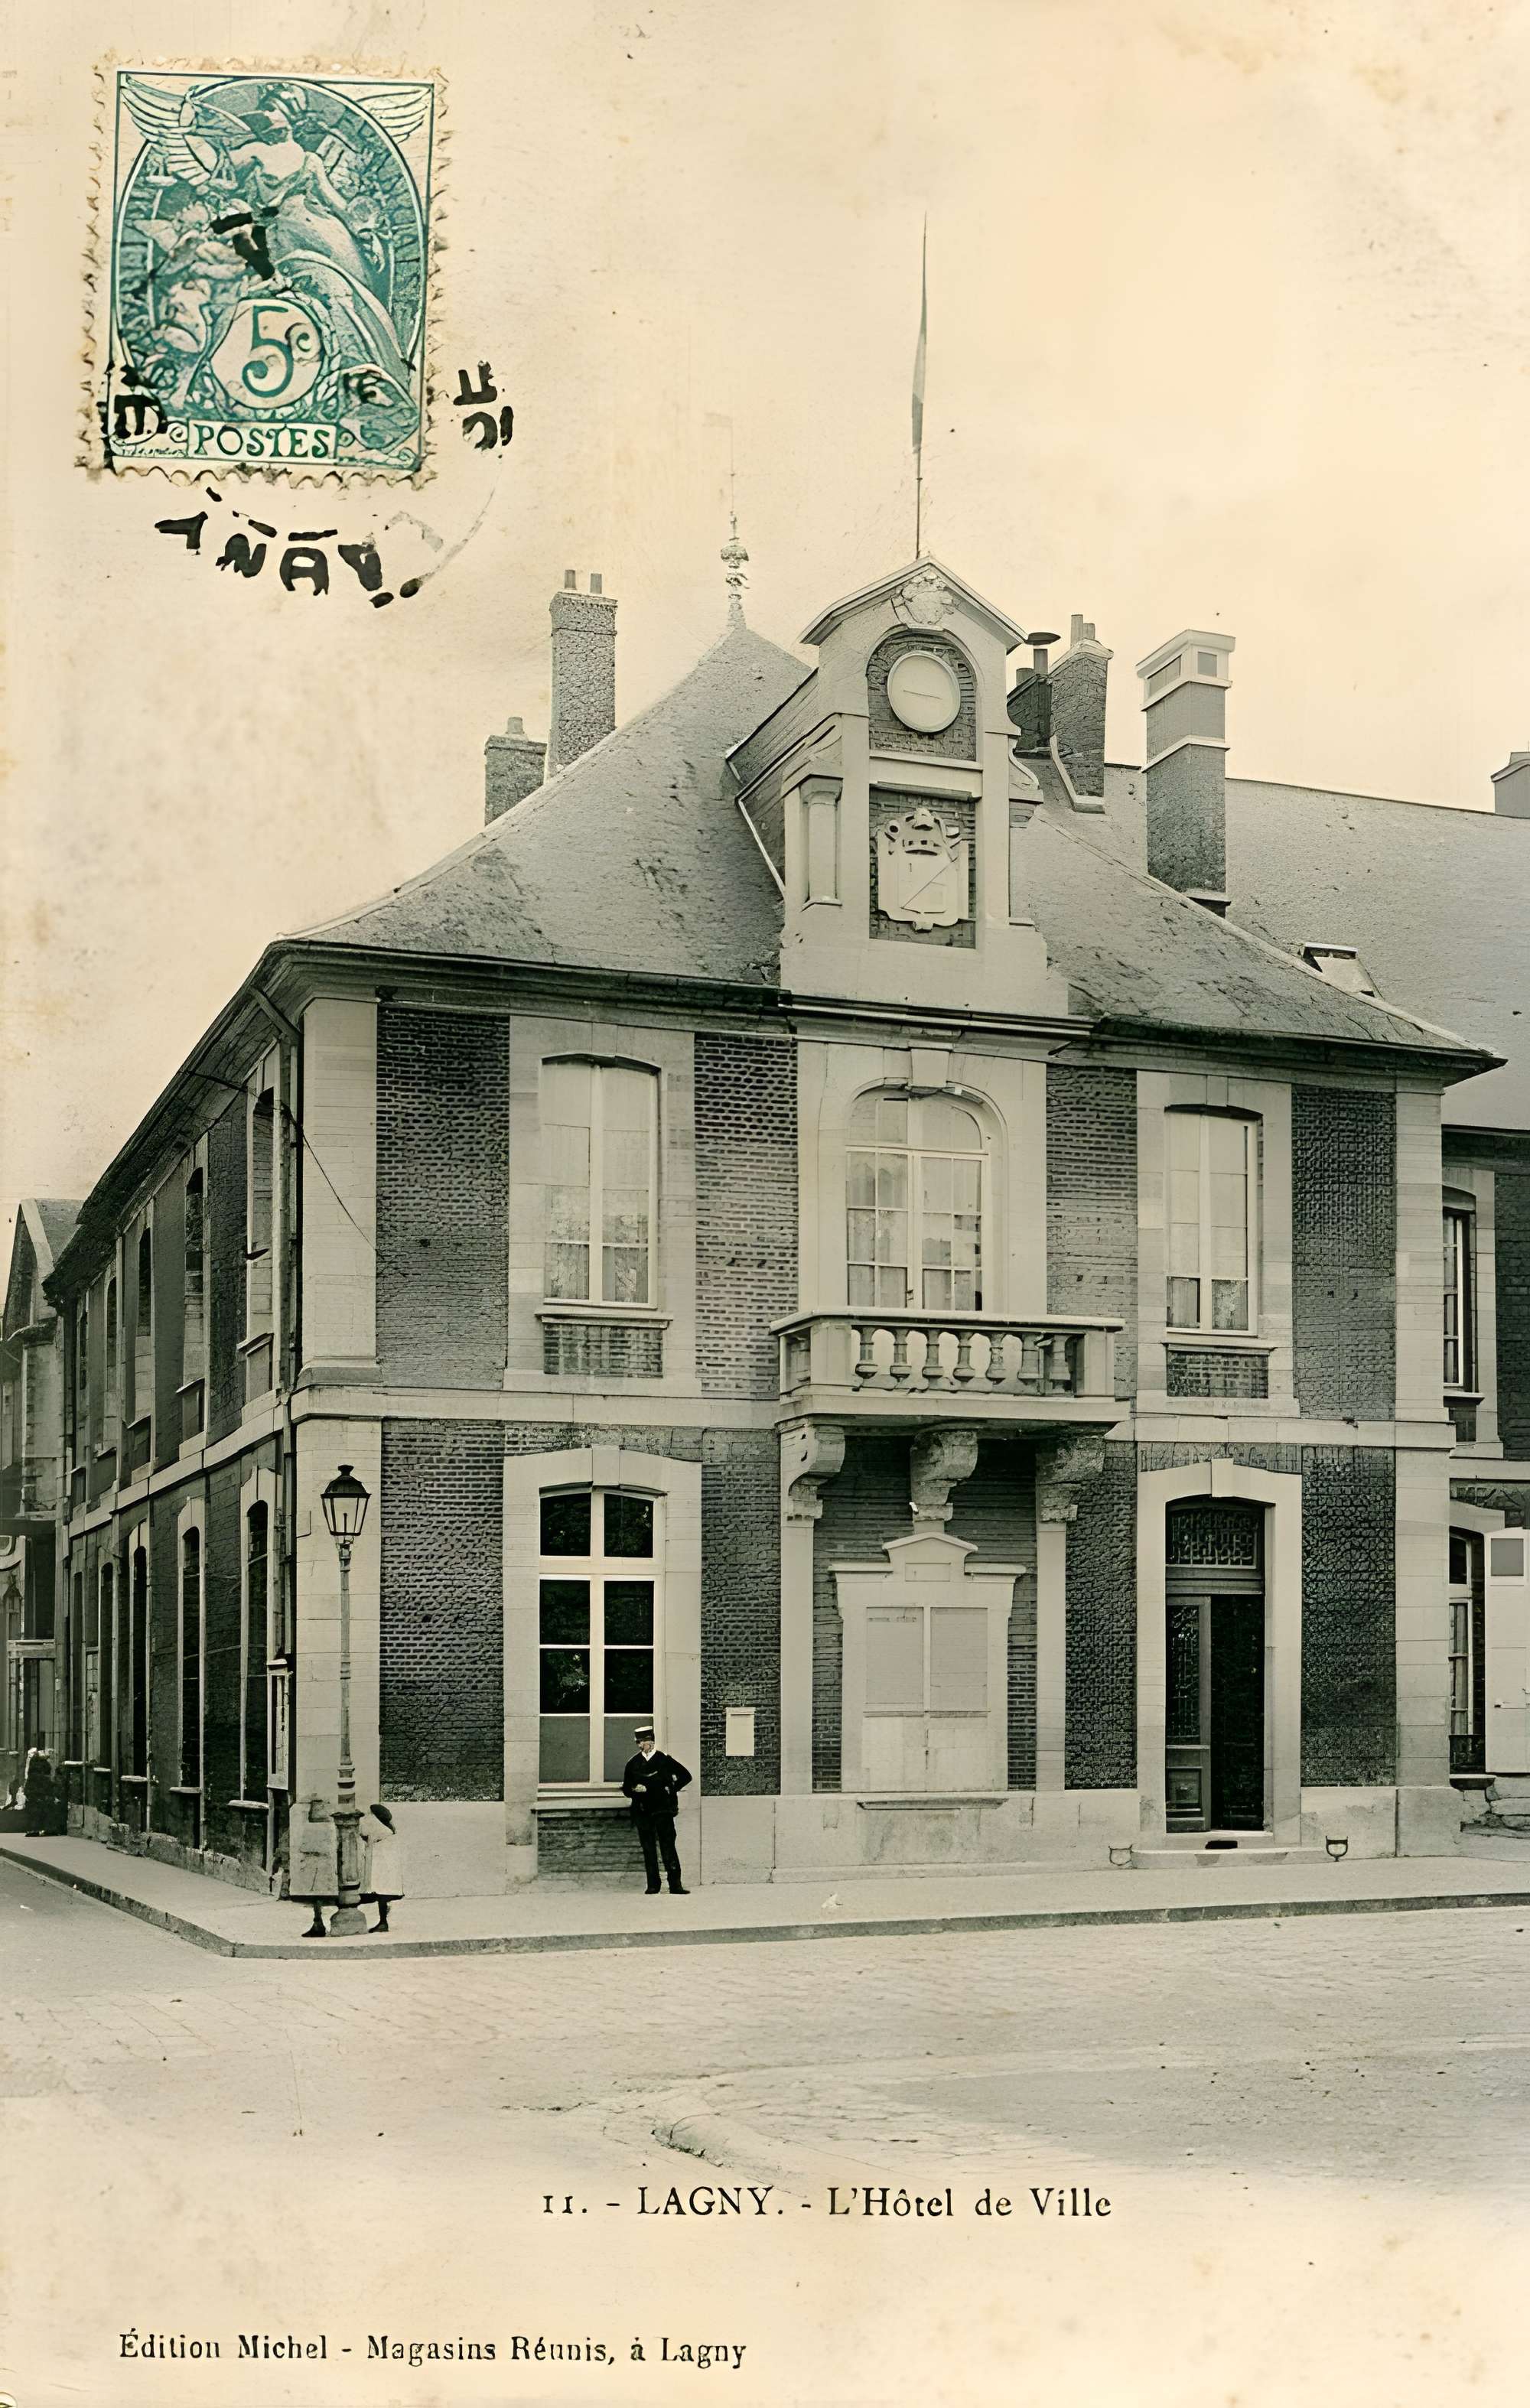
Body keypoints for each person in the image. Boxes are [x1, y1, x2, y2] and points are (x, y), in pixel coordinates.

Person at [621, 1723, 692, 1895]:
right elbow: (626, 1788)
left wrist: (670, 1789)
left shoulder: (664, 1759)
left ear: (651, 1742)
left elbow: (686, 1776)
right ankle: (653, 1885)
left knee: (668, 1846)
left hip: (663, 1810)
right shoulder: (633, 1763)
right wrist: (634, 1789)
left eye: (645, 1742)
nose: (642, 1745)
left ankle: (675, 1885)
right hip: (642, 1811)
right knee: (648, 1848)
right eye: (639, 1742)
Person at [288, 1795, 338, 1937]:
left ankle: (318, 1923)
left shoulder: (310, 1829)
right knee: (321, 1896)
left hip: (315, 1868)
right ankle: (318, 1922)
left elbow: (304, 1847)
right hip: (326, 1867)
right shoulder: (330, 1827)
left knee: (316, 1897)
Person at [358, 1801, 405, 1935]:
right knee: (383, 1892)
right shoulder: (389, 1829)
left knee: (381, 1891)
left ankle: (383, 1922)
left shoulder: (376, 1828)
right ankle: (383, 1921)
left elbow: (363, 1832)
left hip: (381, 1864)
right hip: (388, 1865)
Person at [21, 1746, 56, 1839]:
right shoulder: (44, 1766)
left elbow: (30, 1779)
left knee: (34, 1811)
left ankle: (34, 1830)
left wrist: (27, 1791)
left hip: (34, 1792)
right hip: (41, 1792)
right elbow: (47, 1780)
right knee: (45, 1810)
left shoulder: (34, 1766)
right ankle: (47, 1829)